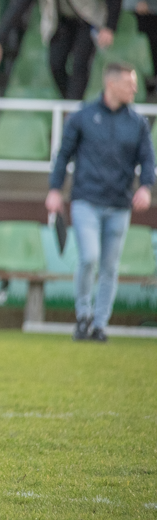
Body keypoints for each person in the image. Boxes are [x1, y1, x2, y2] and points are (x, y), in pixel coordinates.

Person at [46, 62, 155, 342]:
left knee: (109, 267)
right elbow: (63, 155)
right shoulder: (83, 116)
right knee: (89, 257)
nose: (135, 88)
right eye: (129, 83)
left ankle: (99, 325)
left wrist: (146, 187)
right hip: (86, 201)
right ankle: (83, 315)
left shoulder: (138, 123)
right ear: (111, 84)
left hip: (119, 205)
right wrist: (55, 189)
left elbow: (147, 160)